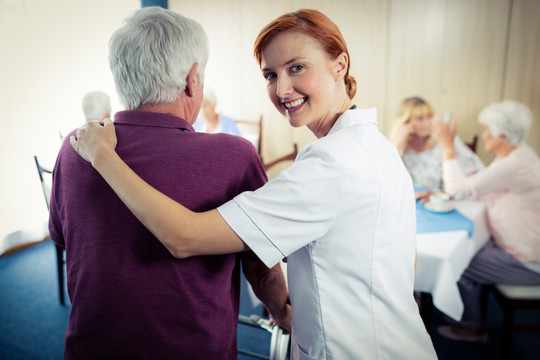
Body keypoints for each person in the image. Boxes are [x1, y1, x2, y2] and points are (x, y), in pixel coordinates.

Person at [71, 9, 437, 359]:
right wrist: (284, 307)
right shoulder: (377, 146)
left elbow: (183, 237)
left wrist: (104, 157)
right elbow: (408, 257)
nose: (282, 89)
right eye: (270, 75)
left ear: (339, 64)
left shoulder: (332, 163)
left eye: (297, 68)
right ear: (192, 81)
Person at [49, 7, 290, 360]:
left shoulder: (77, 146)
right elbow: (263, 272)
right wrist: (282, 313)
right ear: (193, 81)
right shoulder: (234, 156)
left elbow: (66, 240)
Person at [432, 100, 540, 342]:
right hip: (523, 247)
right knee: (463, 251)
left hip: (529, 260)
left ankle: (472, 326)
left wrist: (447, 146)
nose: (484, 134)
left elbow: (460, 190)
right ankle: (464, 314)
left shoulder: (514, 164)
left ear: (502, 136)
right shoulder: (520, 155)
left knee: (457, 263)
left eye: (487, 130)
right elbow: (479, 189)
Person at [390, 96, 484, 193]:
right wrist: (398, 145)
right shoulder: (398, 151)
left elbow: (473, 173)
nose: (427, 123)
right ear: (405, 122)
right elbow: (389, 183)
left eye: (429, 116)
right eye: (420, 118)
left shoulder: (443, 143)